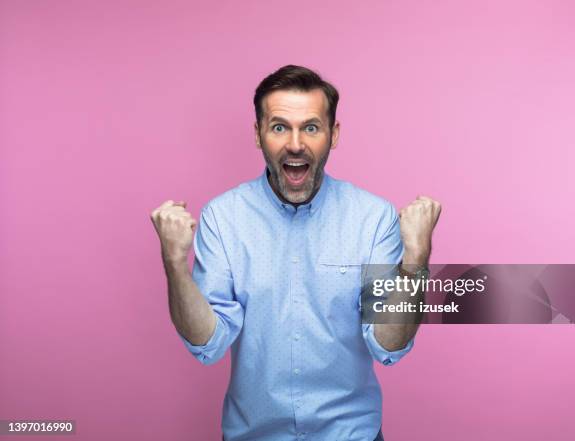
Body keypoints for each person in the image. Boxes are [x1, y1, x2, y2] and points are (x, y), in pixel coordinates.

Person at [150, 65, 441, 441]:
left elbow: (389, 344)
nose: (296, 144)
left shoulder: (373, 217)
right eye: (279, 127)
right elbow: (208, 343)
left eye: (311, 127)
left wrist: (415, 264)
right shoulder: (223, 218)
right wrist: (175, 265)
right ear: (258, 135)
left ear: (333, 135)